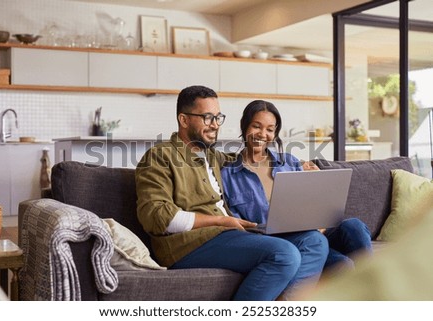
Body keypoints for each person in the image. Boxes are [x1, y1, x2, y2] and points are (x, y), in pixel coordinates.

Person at [135, 85, 328, 301]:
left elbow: (252, 159)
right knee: (284, 254)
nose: (215, 125)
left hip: (227, 235)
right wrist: (219, 220)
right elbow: (155, 216)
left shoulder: (214, 157)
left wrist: (301, 167)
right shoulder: (159, 156)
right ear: (184, 119)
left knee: (315, 241)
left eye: (218, 117)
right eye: (207, 117)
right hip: (187, 244)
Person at [221, 99, 372, 272]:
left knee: (354, 226)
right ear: (244, 126)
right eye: (256, 126)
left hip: (315, 232)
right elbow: (240, 228)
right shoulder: (228, 175)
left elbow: (314, 203)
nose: (263, 134)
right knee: (343, 265)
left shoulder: (290, 161)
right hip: (284, 243)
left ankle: (374, 283)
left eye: (270, 129)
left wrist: (318, 188)